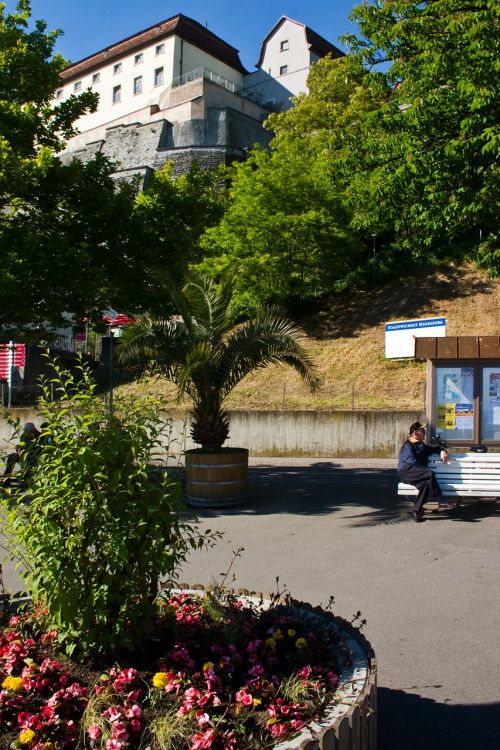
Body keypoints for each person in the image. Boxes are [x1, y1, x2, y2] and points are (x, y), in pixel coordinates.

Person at [398, 421, 455, 522]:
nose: (425, 433)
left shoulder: (421, 445)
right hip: (407, 472)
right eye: (422, 431)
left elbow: (433, 449)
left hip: (417, 473)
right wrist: (423, 468)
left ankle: (416, 511)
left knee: (425, 485)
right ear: (415, 433)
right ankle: (441, 501)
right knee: (429, 473)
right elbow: (410, 461)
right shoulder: (408, 445)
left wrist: (442, 451)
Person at [2, 422, 41, 486]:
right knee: (11, 457)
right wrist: (18, 447)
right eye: (25, 431)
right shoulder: (24, 435)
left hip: (33, 456)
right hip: (23, 454)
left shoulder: (39, 436)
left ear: (33, 429)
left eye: (29, 431)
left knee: (29, 459)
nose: (27, 432)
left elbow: (41, 449)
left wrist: (35, 454)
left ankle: (27, 480)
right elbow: (21, 445)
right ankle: (6, 478)